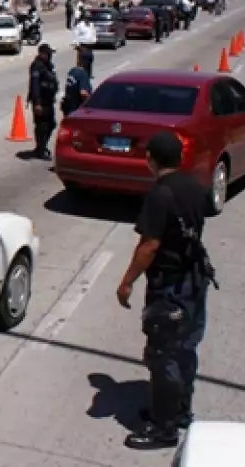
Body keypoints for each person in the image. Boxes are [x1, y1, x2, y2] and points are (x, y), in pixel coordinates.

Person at [116, 132, 218, 450]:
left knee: (163, 355)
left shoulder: (160, 194)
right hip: (194, 279)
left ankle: (164, 428)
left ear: (152, 160)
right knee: (186, 347)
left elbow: (149, 245)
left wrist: (127, 281)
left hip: (170, 285)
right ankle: (180, 411)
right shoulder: (193, 186)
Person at [26, 43, 59, 159]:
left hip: (48, 100)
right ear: (42, 54)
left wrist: (54, 93)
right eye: (48, 53)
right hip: (41, 101)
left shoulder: (48, 65)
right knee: (42, 126)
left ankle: (42, 146)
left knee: (51, 124)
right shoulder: (37, 66)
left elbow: (53, 80)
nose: (50, 55)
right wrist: (37, 103)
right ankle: (40, 149)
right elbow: (35, 86)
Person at [61, 48, 93, 115]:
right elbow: (83, 93)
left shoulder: (72, 71)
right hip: (77, 111)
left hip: (68, 108)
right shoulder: (82, 74)